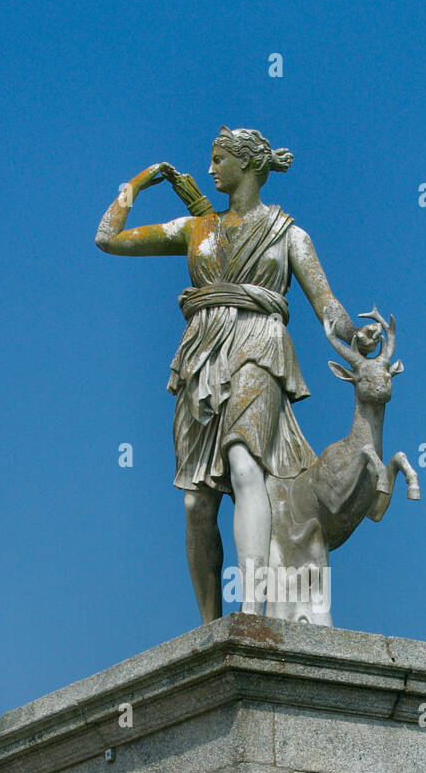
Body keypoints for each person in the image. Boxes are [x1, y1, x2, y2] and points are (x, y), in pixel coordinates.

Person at [96, 126, 360, 621]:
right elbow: (107, 238)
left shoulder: (289, 234)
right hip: (201, 355)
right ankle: (211, 627)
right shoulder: (198, 229)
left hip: (260, 343)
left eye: (219, 159)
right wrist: (140, 182)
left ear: (248, 164)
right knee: (196, 505)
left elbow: (327, 304)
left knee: (244, 464)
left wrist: (355, 337)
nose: (211, 168)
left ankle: (253, 609)